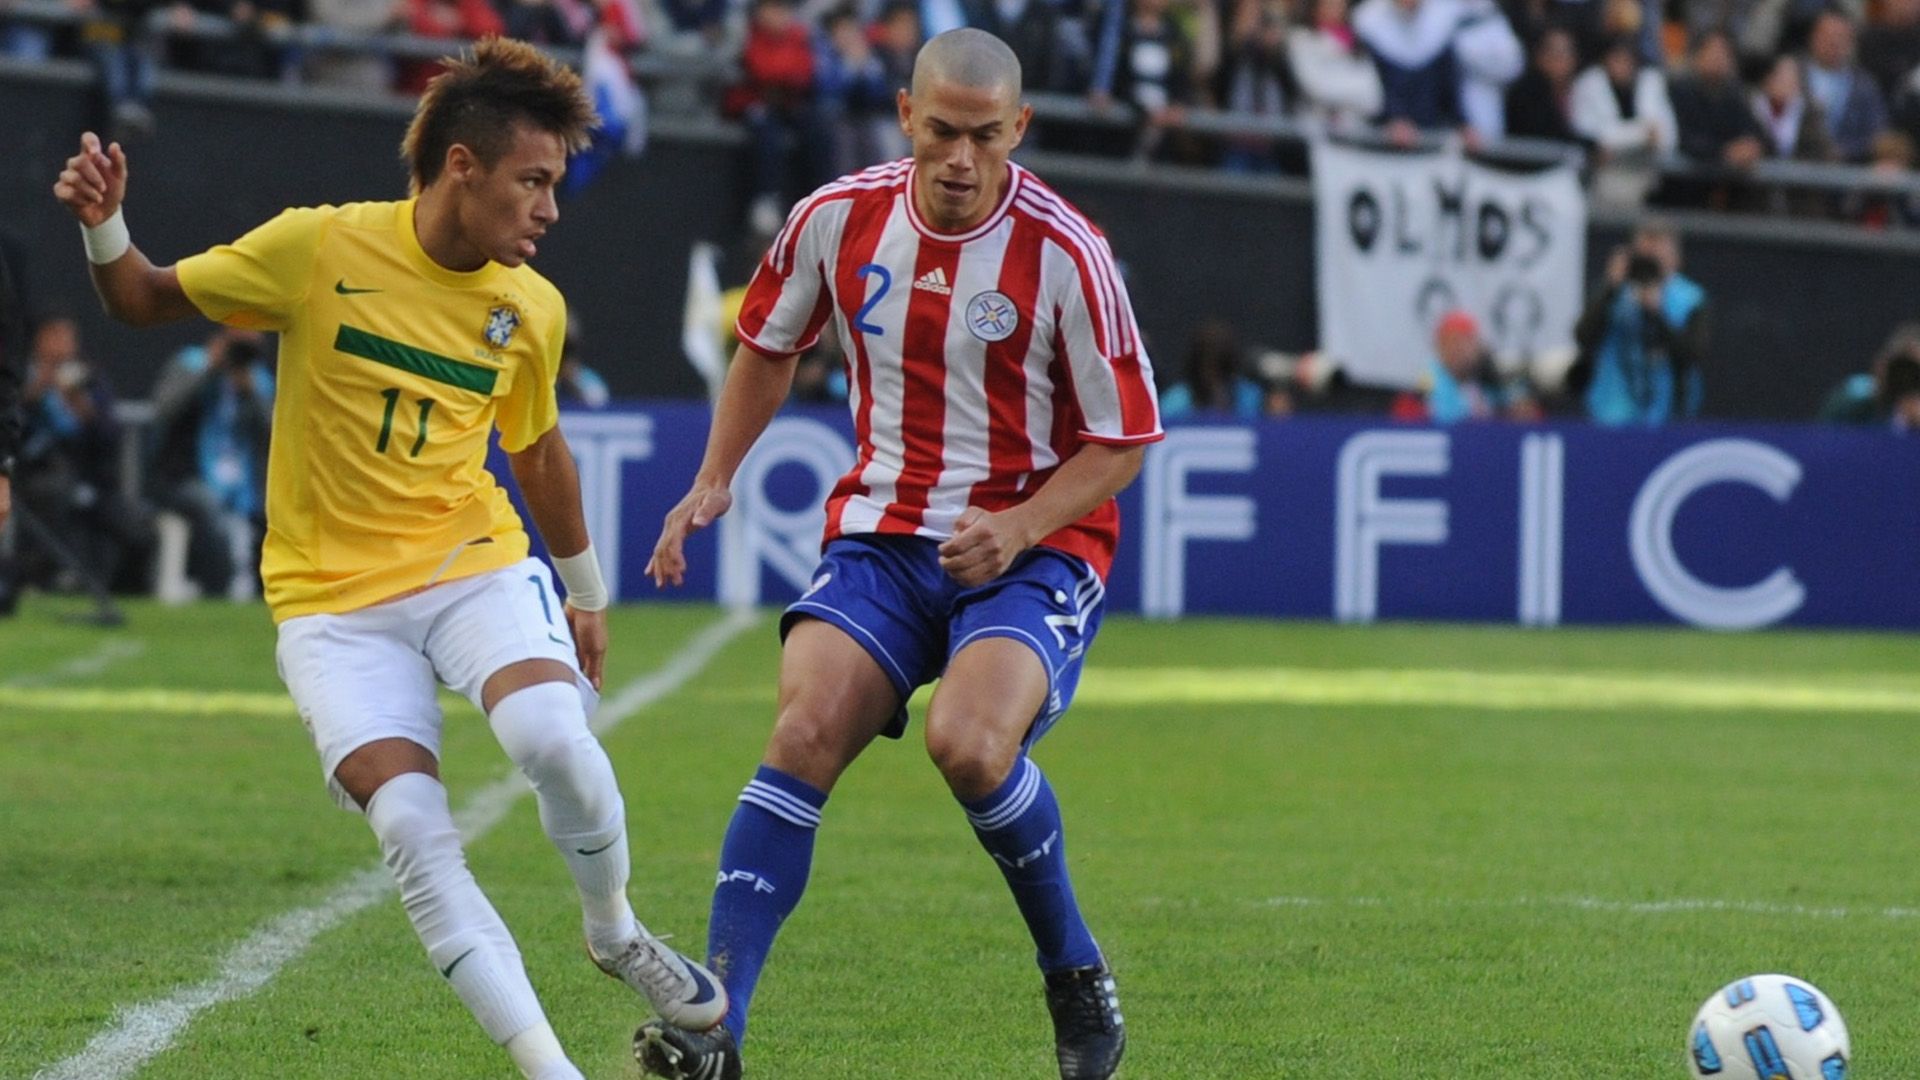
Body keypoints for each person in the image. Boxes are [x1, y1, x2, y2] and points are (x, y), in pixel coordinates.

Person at [50, 38, 725, 1080]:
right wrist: (105, 223)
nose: (550, 208)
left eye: (555, 184)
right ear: (462, 165)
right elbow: (140, 298)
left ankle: (615, 930)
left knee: (553, 737)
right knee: (412, 826)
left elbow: (537, 450)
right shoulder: (317, 248)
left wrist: (585, 592)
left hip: (468, 562)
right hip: (328, 601)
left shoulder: (531, 308)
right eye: (533, 181)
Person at [639, 27, 1159, 1080]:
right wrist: (715, 474)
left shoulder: (1067, 253)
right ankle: (715, 1026)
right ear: (906, 115)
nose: (961, 159)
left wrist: (1019, 526)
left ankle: (1072, 967)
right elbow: (767, 345)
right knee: (802, 730)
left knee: (969, 744)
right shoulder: (835, 217)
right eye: (942, 132)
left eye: (985, 137)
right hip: (883, 535)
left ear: (1020, 128)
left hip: (1033, 546)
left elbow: (1125, 441)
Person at [1569, 219, 1708, 426]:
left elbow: (1692, 354)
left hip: (1670, 415)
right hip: (1610, 412)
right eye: (1644, 257)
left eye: (1657, 257)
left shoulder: (1690, 298)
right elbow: (1583, 336)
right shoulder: (1615, 293)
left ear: (1675, 258)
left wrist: (1657, 313)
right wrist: (1610, 288)